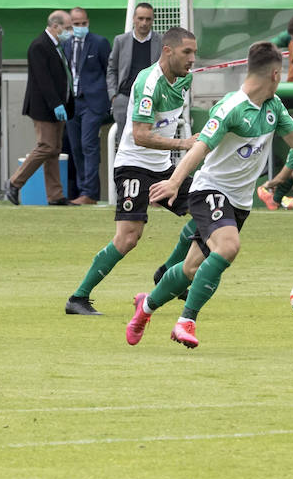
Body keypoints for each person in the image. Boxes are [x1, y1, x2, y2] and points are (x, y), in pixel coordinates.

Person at [125, 42, 293, 349]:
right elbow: (200, 147)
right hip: (210, 191)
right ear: (275, 74)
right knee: (228, 247)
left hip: (238, 202)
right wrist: (173, 182)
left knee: (191, 267)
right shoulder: (230, 107)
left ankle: (146, 307)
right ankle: (186, 321)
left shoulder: (273, 106)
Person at [67, 27, 200, 316]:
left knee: (207, 213)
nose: (192, 59)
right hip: (133, 166)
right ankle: (78, 298)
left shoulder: (184, 78)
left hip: (162, 167)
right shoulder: (148, 84)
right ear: (167, 51)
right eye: (186, 52)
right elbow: (140, 135)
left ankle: (167, 273)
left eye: (194, 52)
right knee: (128, 238)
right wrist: (184, 143)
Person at [4, 10, 74, 206]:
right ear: (55, 26)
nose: (70, 32)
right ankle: (14, 182)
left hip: (59, 106)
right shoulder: (39, 46)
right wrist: (56, 103)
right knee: (46, 147)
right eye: (67, 28)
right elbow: (43, 80)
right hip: (45, 107)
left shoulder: (57, 46)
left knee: (54, 150)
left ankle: (55, 195)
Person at [61, 6, 111, 205]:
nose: (80, 27)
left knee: (88, 145)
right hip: (73, 102)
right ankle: (83, 189)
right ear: (70, 25)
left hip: (93, 101)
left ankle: (90, 192)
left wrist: (108, 100)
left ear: (88, 22)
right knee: (75, 146)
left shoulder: (99, 43)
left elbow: (109, 71)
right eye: (76, 24)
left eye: (83, 23)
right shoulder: (65, 44)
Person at [106, 2, 157, 136]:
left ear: (153, 20)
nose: (144, 23)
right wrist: (114, 96)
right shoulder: (121, 40)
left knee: (151, 140)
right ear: (134, 19)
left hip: (152, 99)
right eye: (140, 18)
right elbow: (112, 69)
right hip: (124, 97)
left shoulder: (161, 42)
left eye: (148, 19)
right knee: (124, 140)